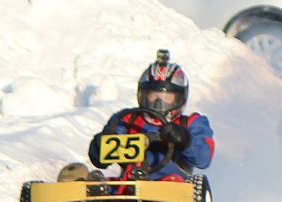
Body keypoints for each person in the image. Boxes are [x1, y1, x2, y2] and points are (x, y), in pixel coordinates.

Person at [88, 50, 215, 181]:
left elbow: (203, 159)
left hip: (172, 186)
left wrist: (184, 140)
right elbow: (99, 161)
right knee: (83, 175)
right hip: (129, 182)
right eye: (153, 96)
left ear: (179, 98)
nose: (158, 102)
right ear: (143, 95)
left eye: (166, 97)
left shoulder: (191, 123)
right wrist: (101, 143)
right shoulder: (128, 119)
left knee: (174, 179)